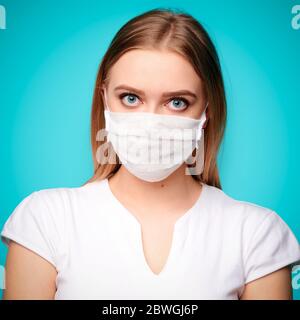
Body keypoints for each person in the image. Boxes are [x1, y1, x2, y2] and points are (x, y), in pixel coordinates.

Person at [1, 8, 300, 300]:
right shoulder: (45, 221)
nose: (151, 122)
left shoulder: (256, 234)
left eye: (177, 102)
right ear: (105, 98)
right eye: (131, 98)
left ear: (206, 110)